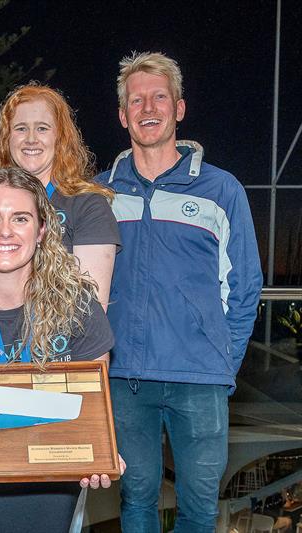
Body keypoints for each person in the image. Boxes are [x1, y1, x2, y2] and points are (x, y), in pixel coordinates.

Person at [96, 52, 262, 532]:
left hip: (201, 379)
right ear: (123, 115)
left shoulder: (221, 190)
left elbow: (245, 285)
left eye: (159, 97)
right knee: (136, 503)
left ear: (179, 108)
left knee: (199, 511)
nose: (148, 108)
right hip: (124, 377)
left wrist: (222, 360)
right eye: (137, 100)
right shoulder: (99, 195)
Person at [0, 167, 124, 532]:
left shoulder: (78, 304)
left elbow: (93, 403)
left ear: (42, 230)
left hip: (55, 462)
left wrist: (99, 449)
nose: (5, 231)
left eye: (20, 218)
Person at [0, 83, 120, 308]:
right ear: (7, 138)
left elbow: (90, 308)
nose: (31, 138)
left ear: (61, 137)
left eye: (42, 128)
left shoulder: (88, 206)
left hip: (59, 330)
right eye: (21, 128)